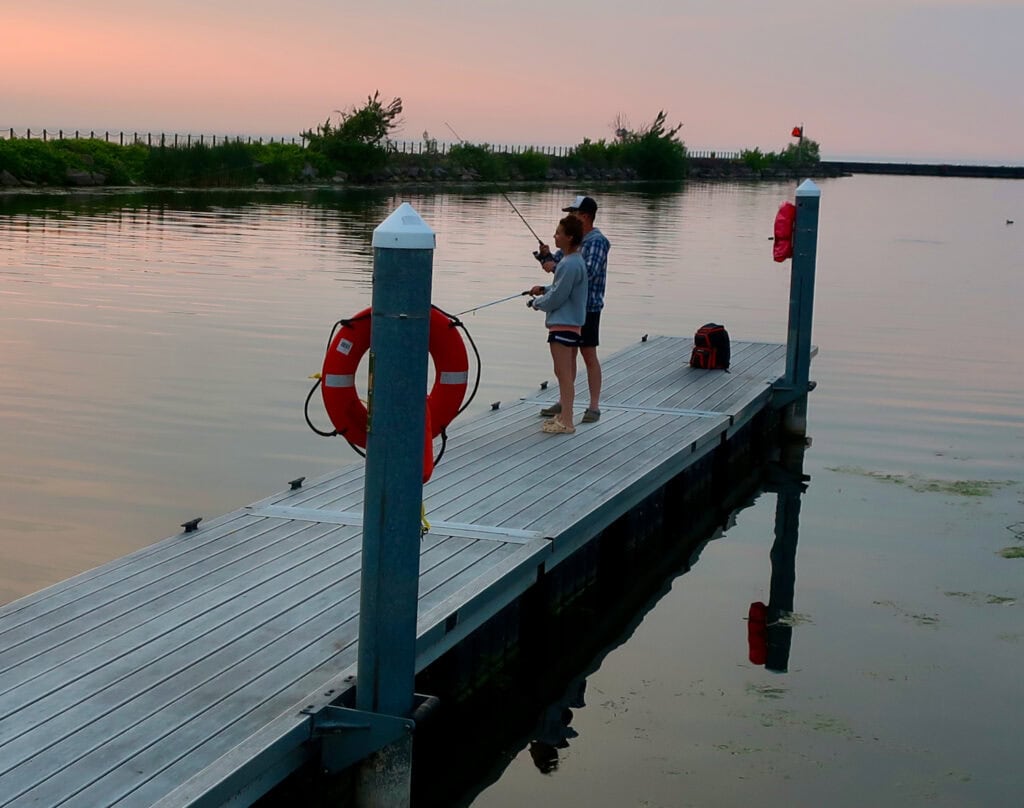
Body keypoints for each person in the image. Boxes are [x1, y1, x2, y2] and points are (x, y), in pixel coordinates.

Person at [536, 195, 610, 423]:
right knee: (567, 358)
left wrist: (555, 266)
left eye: (573, 213)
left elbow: (586, 273)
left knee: (589, 354)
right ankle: (565, 401)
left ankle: (594, 406)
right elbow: (560, 266)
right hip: (570, 308)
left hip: (589, 307)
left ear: (585, 216)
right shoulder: (572, 242)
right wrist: (546, 257)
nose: (569, 217)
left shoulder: (597, 241)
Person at [528, 215, 588, 435]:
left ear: (569, 237)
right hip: (569, 324)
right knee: (564, 372)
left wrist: (537, 303)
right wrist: (544, 289)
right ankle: (564, 417)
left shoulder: (569, 263)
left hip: (563, 324)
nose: (555, 236)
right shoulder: (573, 261)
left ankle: (567, 422)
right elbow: (560, 289)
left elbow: (558, 297)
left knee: (563, 374)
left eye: (558, 233)